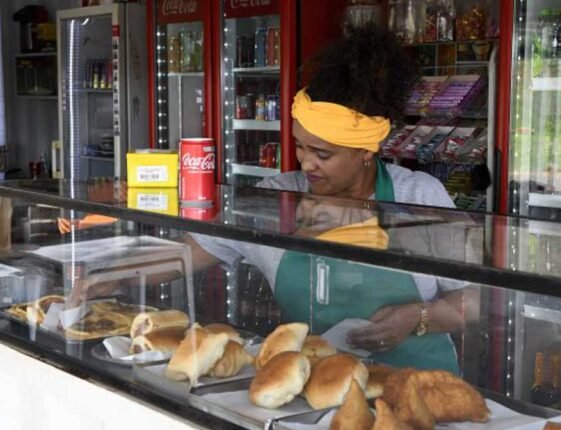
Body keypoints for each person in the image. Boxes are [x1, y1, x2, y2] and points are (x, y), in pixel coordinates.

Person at [75, 25, 475, 373]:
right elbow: (188, 253)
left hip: (420, 386)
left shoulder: (418, 196)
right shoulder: (275, 199)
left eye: (323, 154)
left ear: (366, 150)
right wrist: (111, 274)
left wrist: (419, 317)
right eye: (301, 146)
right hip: (311, 386)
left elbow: (477, 299)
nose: (307, 163)